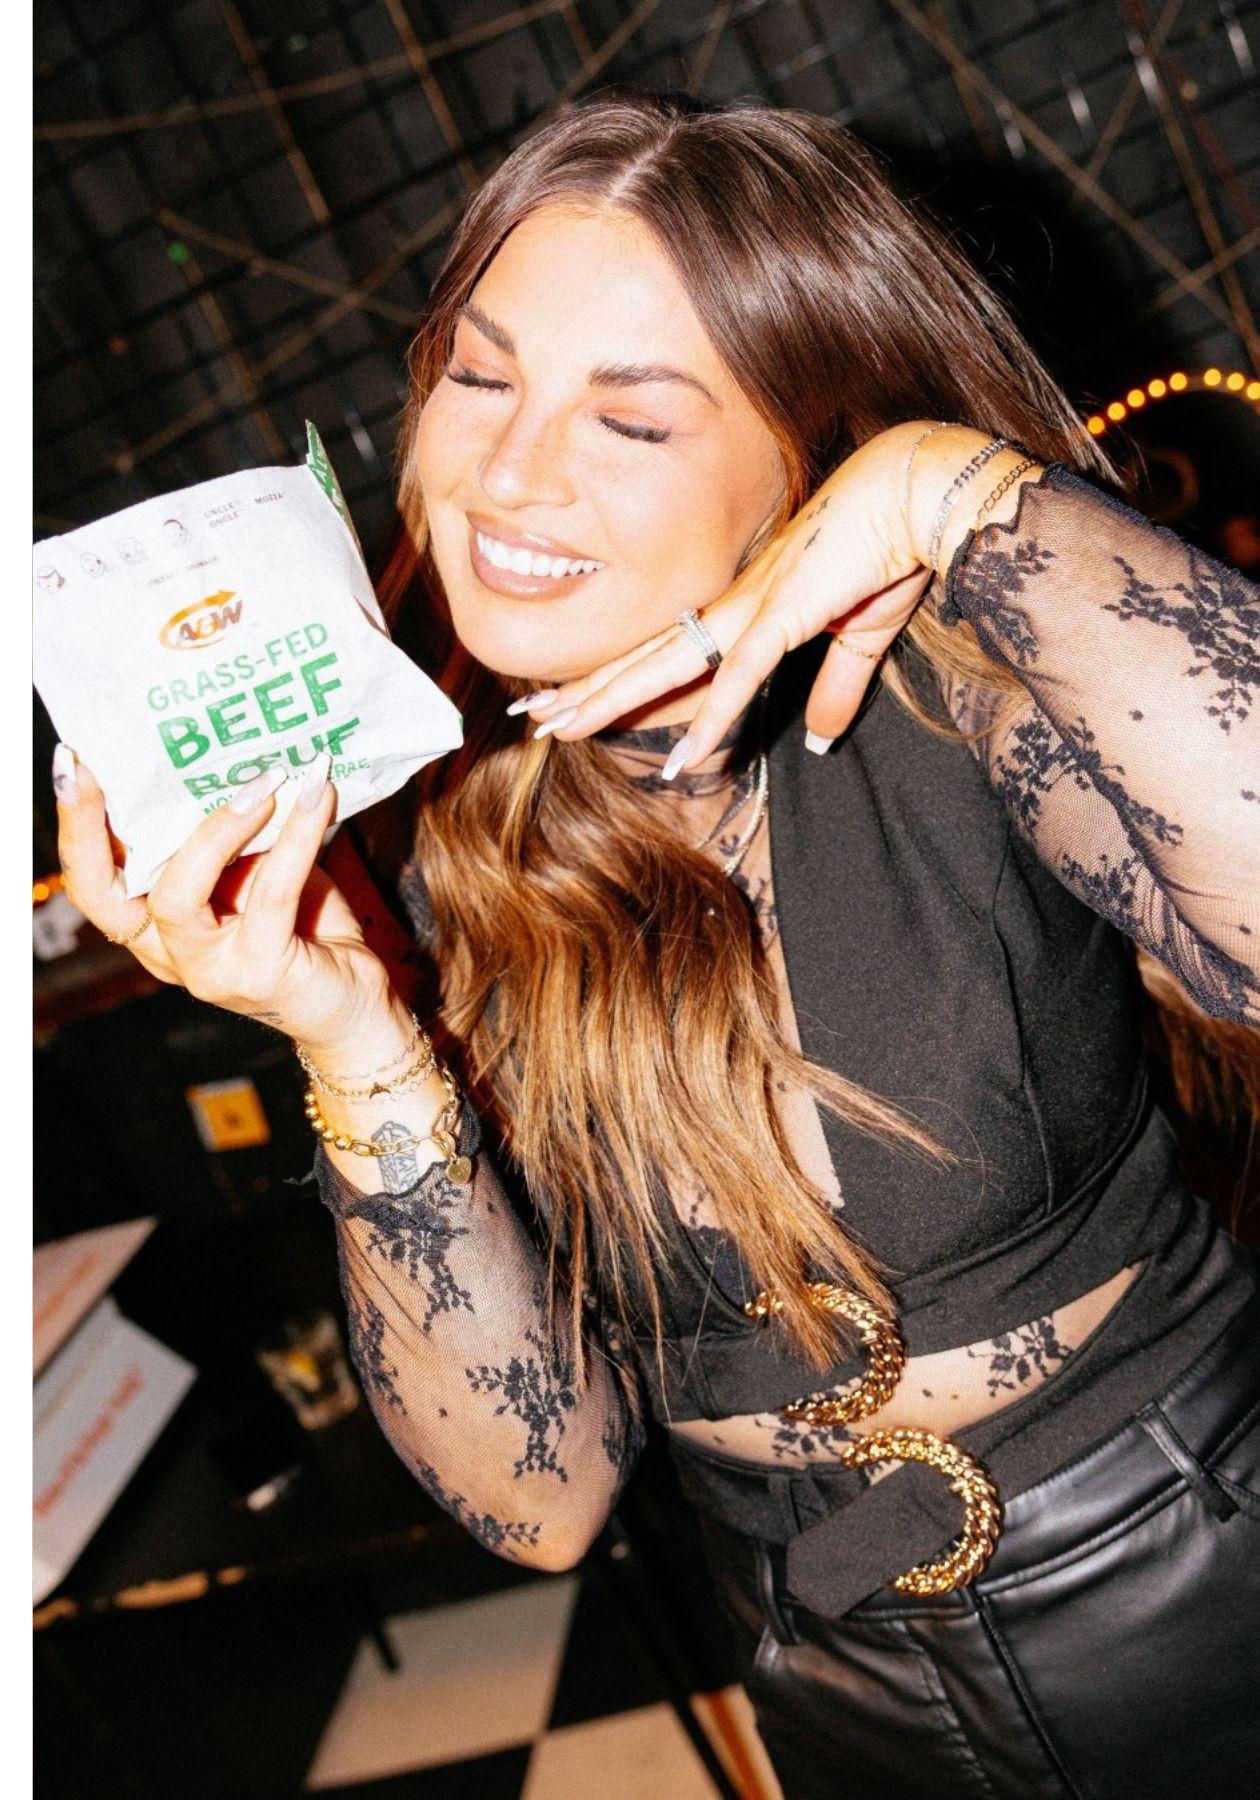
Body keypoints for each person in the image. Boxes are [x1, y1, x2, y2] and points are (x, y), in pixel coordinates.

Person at [53, 92, 1260, 1798]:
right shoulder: (414, 824)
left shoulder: (957, 673)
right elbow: (538, 1502)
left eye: (632, 422)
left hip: (1211, 1556)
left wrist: (964, 497)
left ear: (800, 450)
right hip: (837, 1673)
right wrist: (355, 1036)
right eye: (480, 377)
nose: (508, 473)